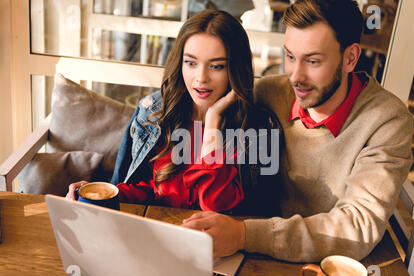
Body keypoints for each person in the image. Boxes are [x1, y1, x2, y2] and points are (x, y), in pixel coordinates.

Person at [182, 0, 414, 262]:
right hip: (256, 254)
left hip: (333, 265)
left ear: (350, 58)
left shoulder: (387, 121)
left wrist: (244, 235)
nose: (295, 76)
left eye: (313, 61)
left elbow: (356, 228)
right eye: (290, 57)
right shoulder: (269, 93)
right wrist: (211, 117)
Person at [67, 10, 280, 215]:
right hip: (156, 234)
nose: (201, 77)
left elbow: (218, 209)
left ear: (235, 68)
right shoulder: (153, 112)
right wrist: (97, 196)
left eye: (216, 66)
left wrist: (213, 121)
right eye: (191, 63)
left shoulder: (258, 130)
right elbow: (145, 191)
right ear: (180, 63)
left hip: (215, 247)